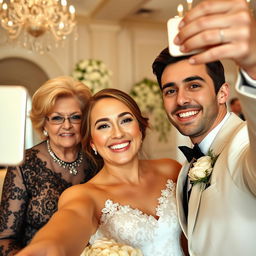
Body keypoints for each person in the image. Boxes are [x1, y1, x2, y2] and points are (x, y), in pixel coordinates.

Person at [16, 88, 185, 256]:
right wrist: (48, 246)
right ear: (92, 142)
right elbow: (67, 223)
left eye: (125, 120)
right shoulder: (84, 195)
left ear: (140, 128)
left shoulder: (170, 169)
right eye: (103, 126)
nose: (117, 133)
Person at [152, 0, 256, 255]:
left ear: (222, 93)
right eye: (170, 90)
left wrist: (253, 68)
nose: (181, 99)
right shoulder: (187, 167)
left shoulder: (242, 145)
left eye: (194, 85)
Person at [0, 76, 99, 255]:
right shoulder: (24, 165)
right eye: (57, 118)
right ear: (44, 122)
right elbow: (5, 238)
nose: (67, 125)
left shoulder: (98, 160)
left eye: (75, 117)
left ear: (85, 120)